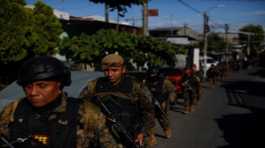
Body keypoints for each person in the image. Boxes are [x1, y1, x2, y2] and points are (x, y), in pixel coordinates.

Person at [0, 56, 120, 148]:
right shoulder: (13, 109)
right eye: (28, 86)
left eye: (42, 86)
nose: (33, 92)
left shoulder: (86, 113)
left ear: (59, 85)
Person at [80, 53, 156, 147]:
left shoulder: (136, 86)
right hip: (102, 135)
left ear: (123, 69)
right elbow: (81, 107)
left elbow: (149, 111)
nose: (110, 74)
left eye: (114, 70)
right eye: (106, 70)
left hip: (130, 133)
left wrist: (142, 132)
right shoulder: (94, 85)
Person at [145, 68, 176, 139]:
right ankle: (151, 135)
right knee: (150, 118)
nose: (152, 78)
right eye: (150, 76)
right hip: (152, 101)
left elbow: (172, 90)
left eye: (153, 76)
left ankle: (166, 129)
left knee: (162, 118)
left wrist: (172, 98)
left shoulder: (165, 82)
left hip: (163, 102)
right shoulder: (147, 80)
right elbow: (144, 90)